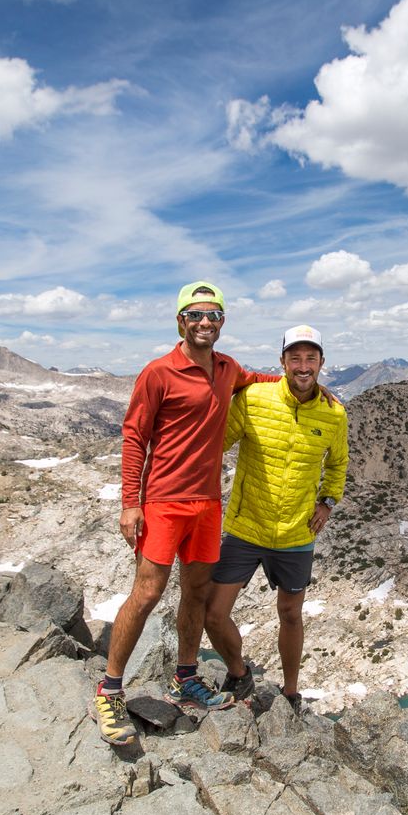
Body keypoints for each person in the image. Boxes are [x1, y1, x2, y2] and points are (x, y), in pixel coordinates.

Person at [90, 281, 279, 746]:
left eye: (213, 315)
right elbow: (135, 436)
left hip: (207, 504)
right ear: (180, 321)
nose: (204, 322)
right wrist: (130, 502)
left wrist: (306, 384)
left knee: (195, 593)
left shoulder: (227, 368)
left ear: (222, 322)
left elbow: (259, 379)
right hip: (163, 502)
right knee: (147, 592)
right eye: (195, 314)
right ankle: (109, 691)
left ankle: (185, 678)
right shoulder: (158, 372)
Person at [205, 324, 348, 711]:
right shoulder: (253, 398)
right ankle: (239, 672)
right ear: (282, 362)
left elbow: (338, 464)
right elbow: (218, 444)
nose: (303, 366)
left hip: (296, 534)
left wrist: (327, 502)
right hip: (245, 527)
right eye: (295, 357)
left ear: (321, 362)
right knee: (213, 614)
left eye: (310, 358)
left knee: (290, 614)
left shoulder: (334, 414)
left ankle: (290, 693)